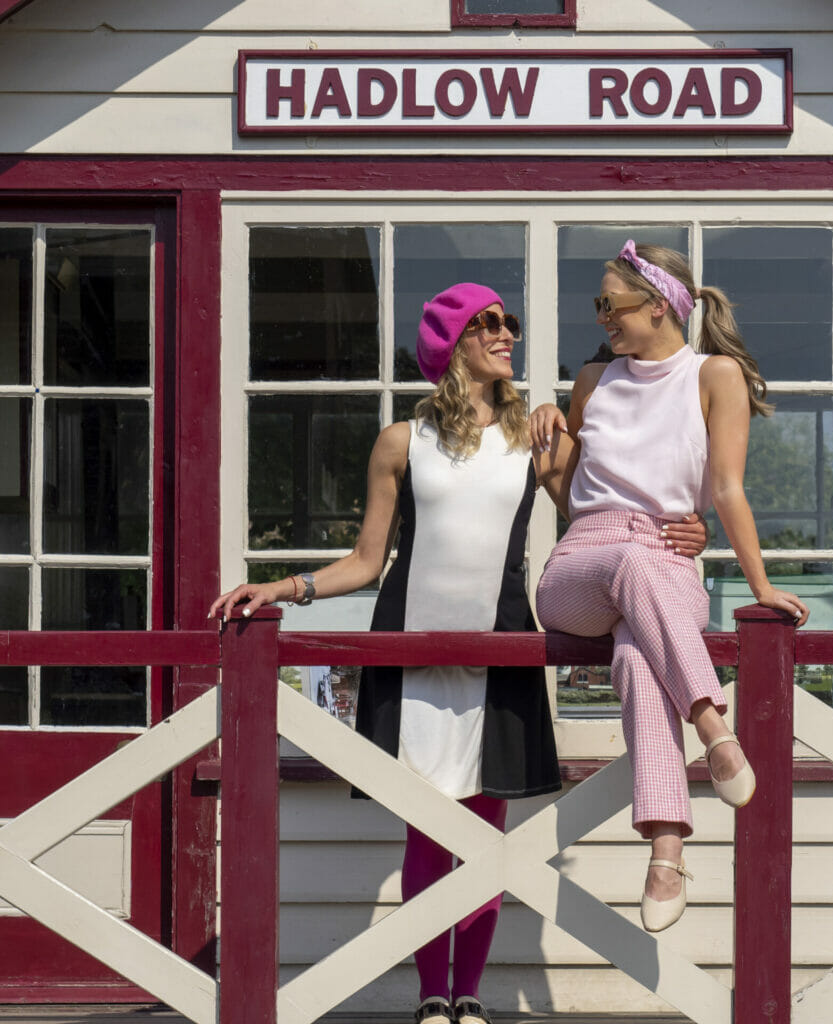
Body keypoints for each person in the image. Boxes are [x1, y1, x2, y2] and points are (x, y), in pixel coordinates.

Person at [209, 281, 710, 1023]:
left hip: (499, 653)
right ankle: (431, 999)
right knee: (425, 828)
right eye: (490, 324)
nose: (508, 333)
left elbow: (605, 513)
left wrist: (688, 528)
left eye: (509, 322)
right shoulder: (399, 442)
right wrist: (281, 587)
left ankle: (468, 995)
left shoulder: (536, 435)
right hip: (408, 657)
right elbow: (365, 561)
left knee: (483, 835)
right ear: (453, 345)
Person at [529, 241, 809, 934]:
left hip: (666, 563)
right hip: (581, 567)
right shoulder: (594, 380)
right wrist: (546, 453)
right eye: (598, 306)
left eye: (610, 304)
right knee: (628, 562)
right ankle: (715, 727)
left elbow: (727, 489)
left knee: (635, 659)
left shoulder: (715, 375)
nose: (601, 318)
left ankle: (666, 847)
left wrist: (761, 584)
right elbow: (573, 497)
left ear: (658, 305)